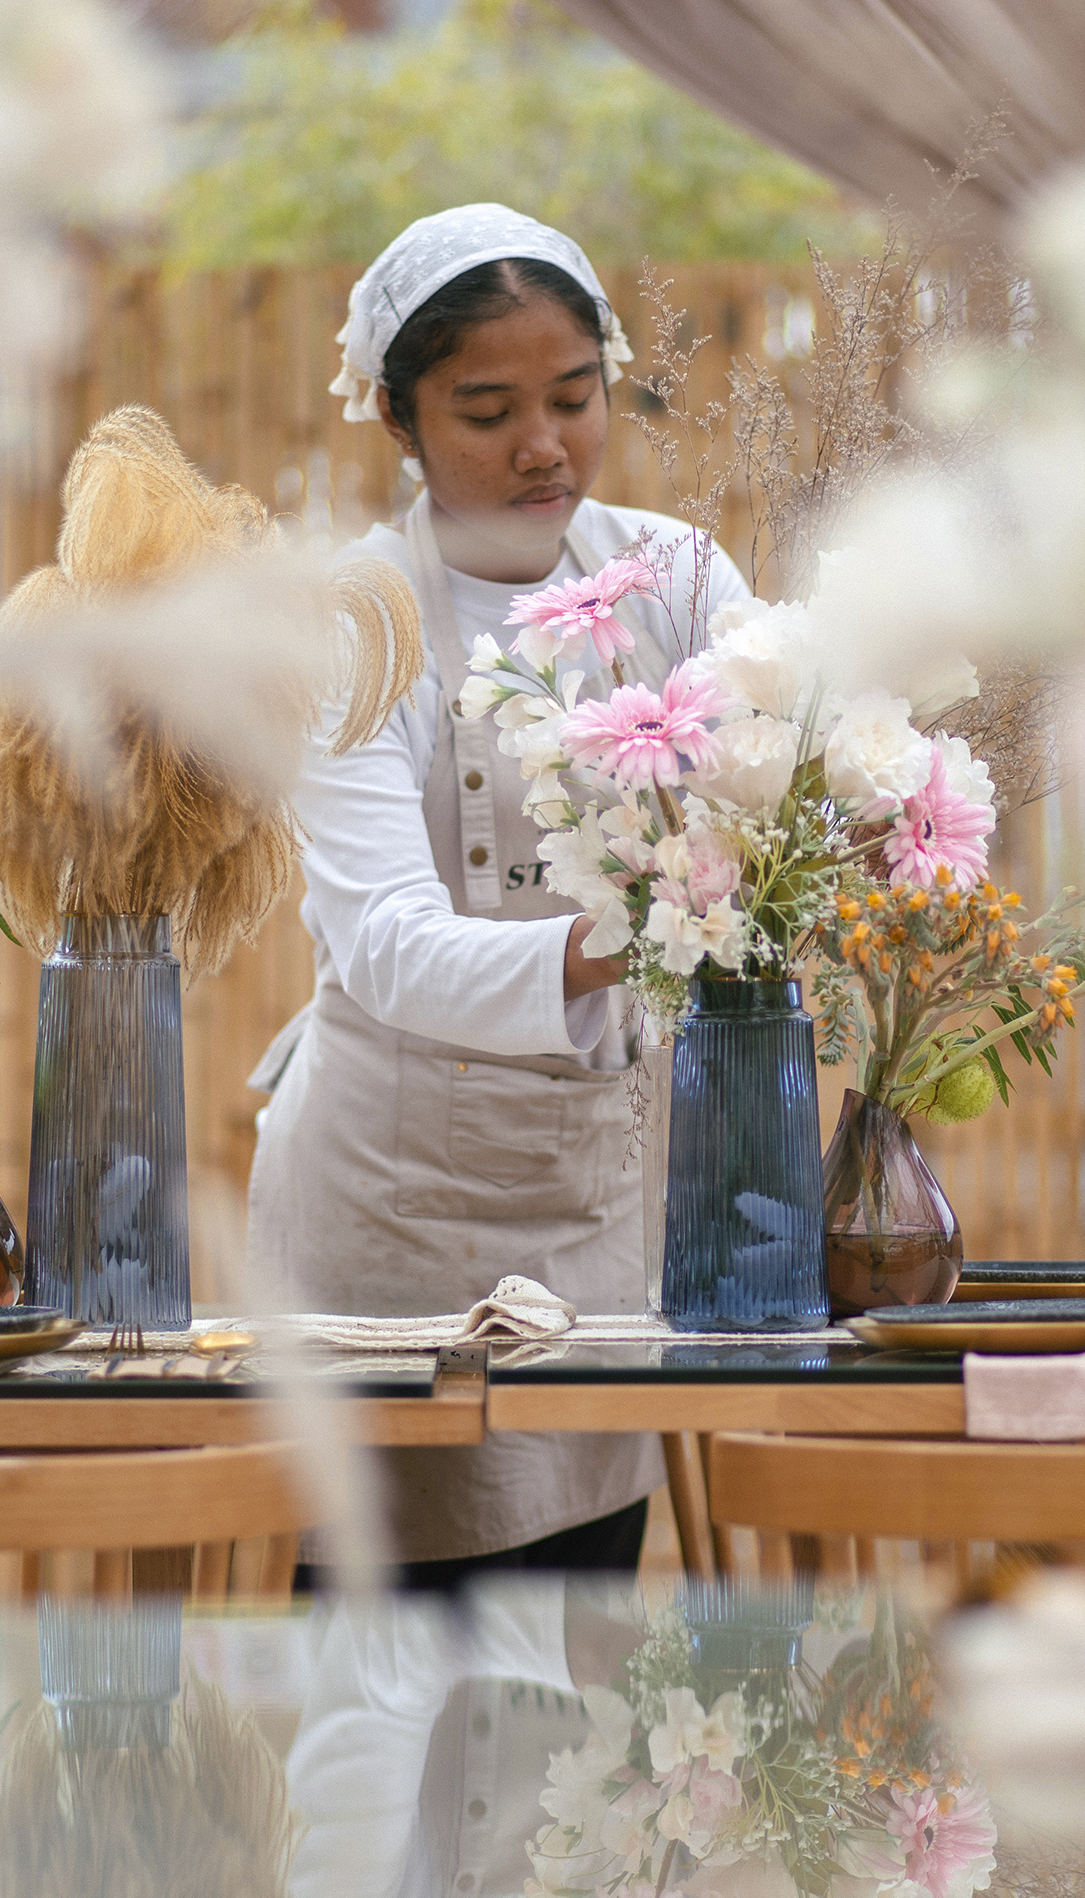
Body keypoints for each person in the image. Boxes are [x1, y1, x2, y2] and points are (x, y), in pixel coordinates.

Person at [247, 205, 747, 1588]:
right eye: (487, 411)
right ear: (398, 419)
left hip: (597, 1207)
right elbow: (386, 946)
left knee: (572, 1659)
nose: (545, 446)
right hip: (391, 1213)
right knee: (385, 1661)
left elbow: (781, 795)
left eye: (575, 398)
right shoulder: (361, 619)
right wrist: (624, 934)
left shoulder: (675, 580)